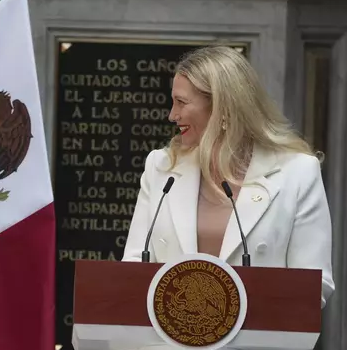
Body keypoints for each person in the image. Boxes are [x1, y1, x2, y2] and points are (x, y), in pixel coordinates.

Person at [122, 45, 334, 308]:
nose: (172, 115)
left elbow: (314, 285)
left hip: (257, 345)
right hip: (167, 345)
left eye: (181, 102)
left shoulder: (298, 172)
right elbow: (131, 269)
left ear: (222, 108)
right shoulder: (161, 167)